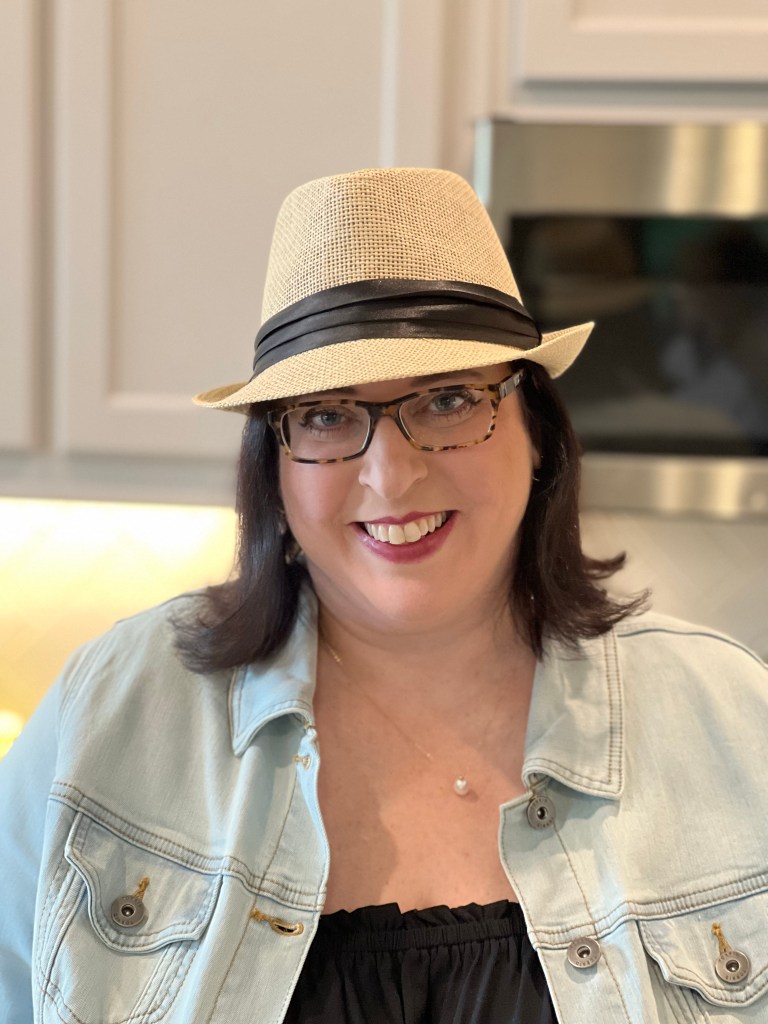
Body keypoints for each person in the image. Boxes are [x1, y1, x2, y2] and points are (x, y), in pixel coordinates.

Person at [0, 167, 766, 1024]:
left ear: (538, 434)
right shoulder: (111, 713)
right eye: (327, 415)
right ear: (275, 467)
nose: (392, 476)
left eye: (448, 400)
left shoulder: (732, 720)